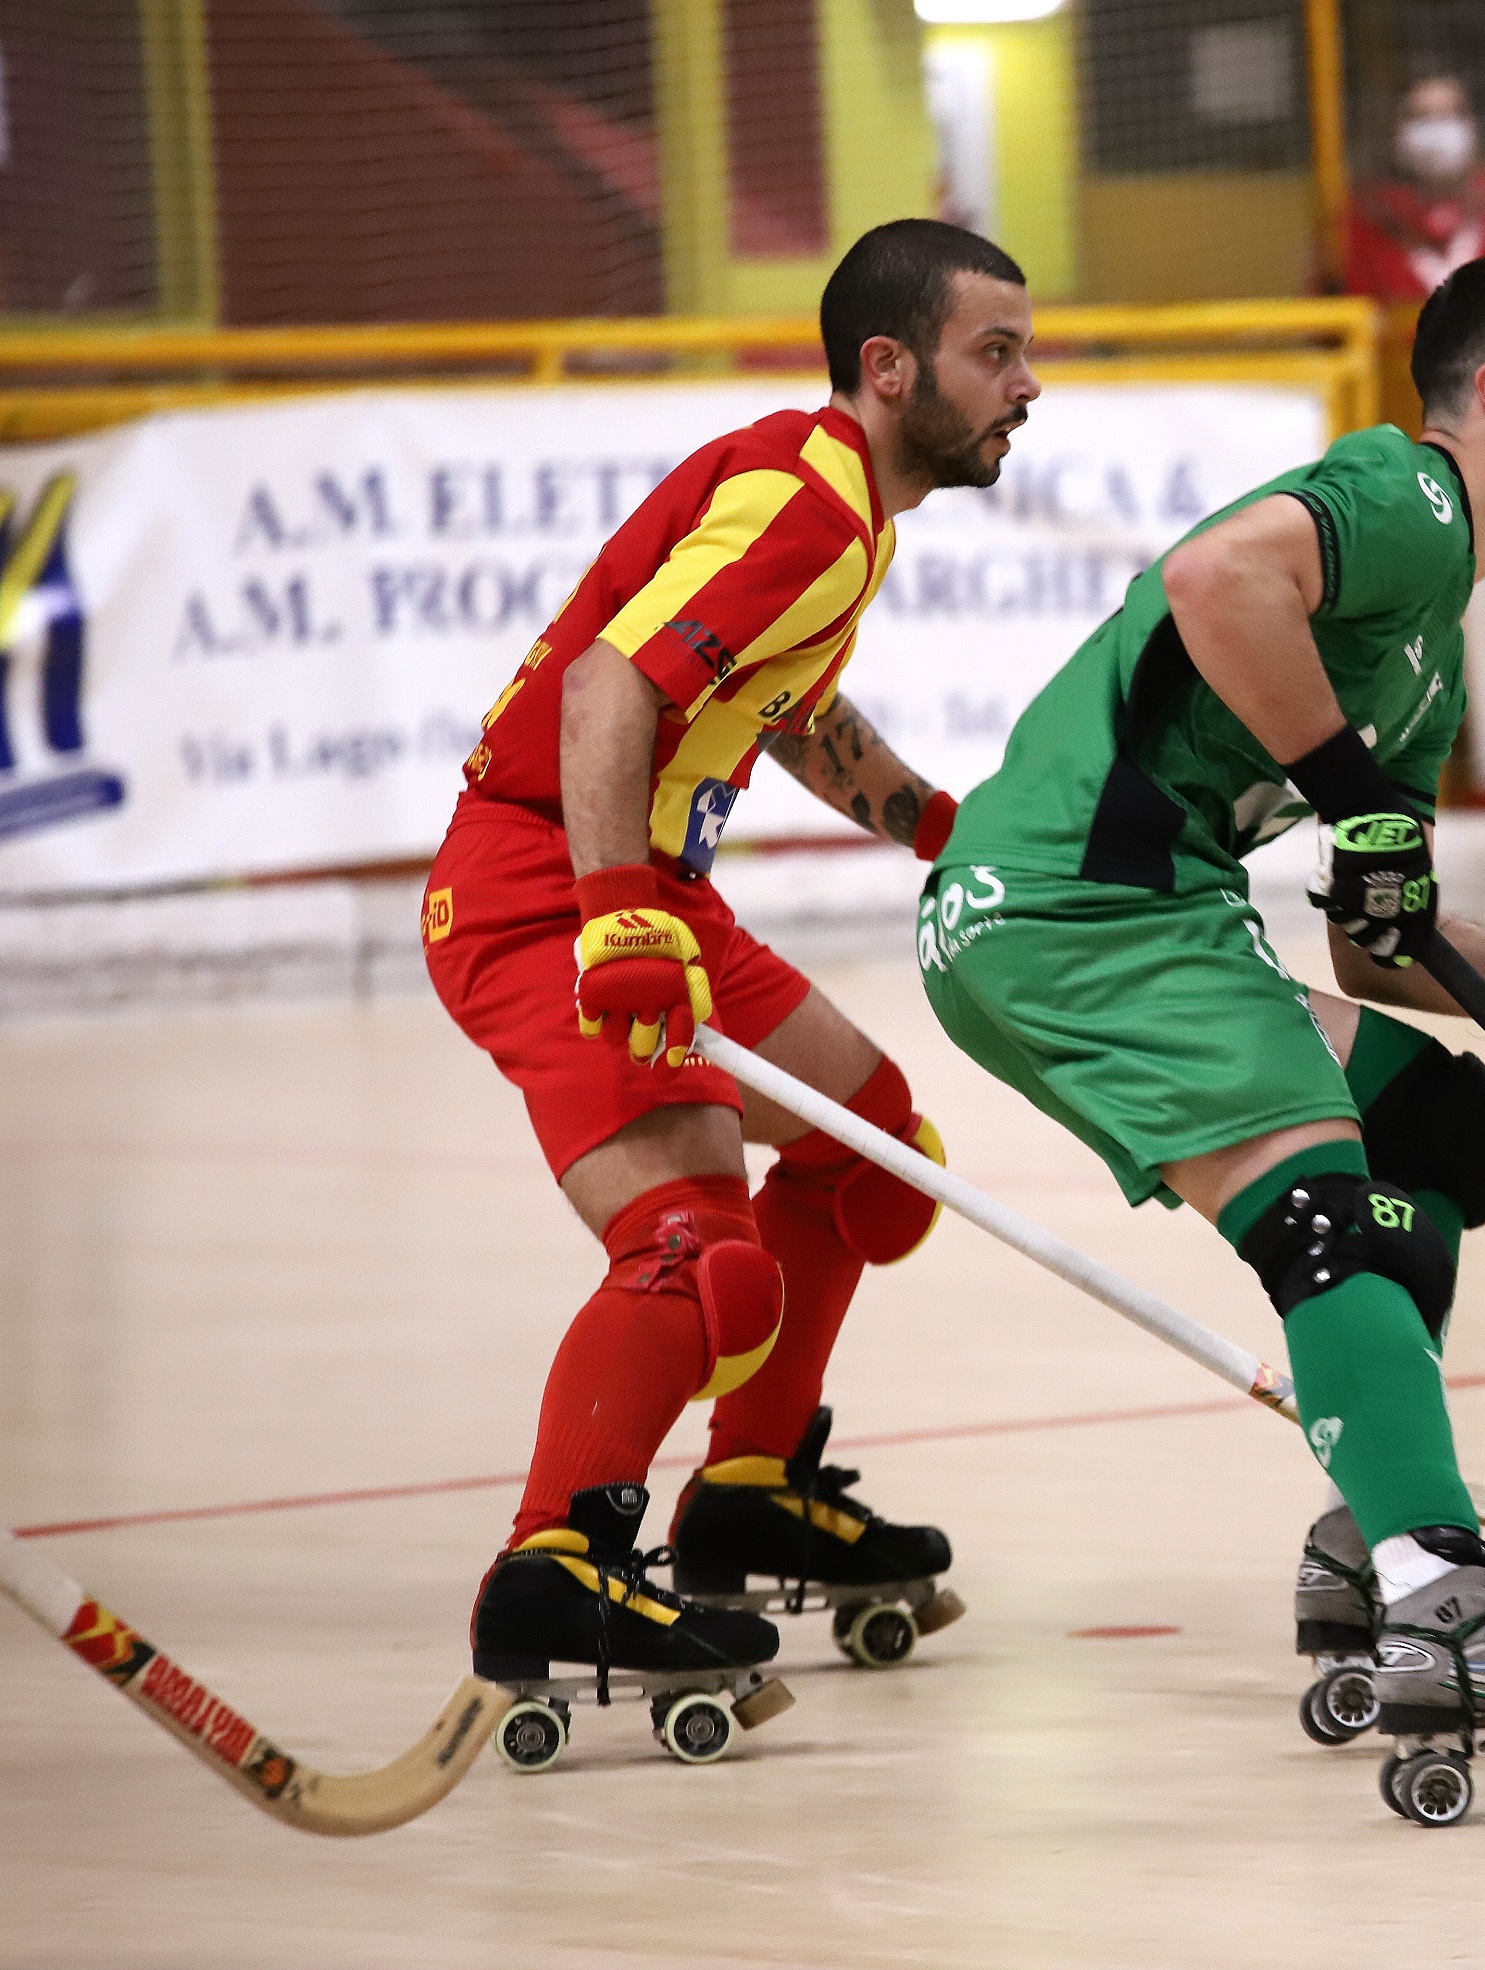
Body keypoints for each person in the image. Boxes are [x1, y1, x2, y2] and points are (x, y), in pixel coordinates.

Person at [916, 255, 1485, 1771]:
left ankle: (1371, 1534)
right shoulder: (1410, 499)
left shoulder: (1429, 645)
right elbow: (1217, 579)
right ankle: (1446, 1601)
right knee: (1337, 1218)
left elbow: (1380, 935)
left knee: (1443, 1134)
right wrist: (1355, 804)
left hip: (1131, 918)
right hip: (1074, 912)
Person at [424, 219, 1040, 1688]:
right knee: (698, 1255)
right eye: (998, 354)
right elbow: (605, 685)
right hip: (544, 887)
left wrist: (941, 826)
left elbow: (788, 714)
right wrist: (616, 909)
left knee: (873, 1146)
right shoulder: (805, 505)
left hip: (651, 886)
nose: (1030, 386)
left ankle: (752, 1494)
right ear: (890, 368)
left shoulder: (845, 507)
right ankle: (556, 1568)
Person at [1345, 75, 1485, 303]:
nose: (1437, 131)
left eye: (1450, 114)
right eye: (1421, 116)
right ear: (1394, 128)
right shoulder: (1363, 218)